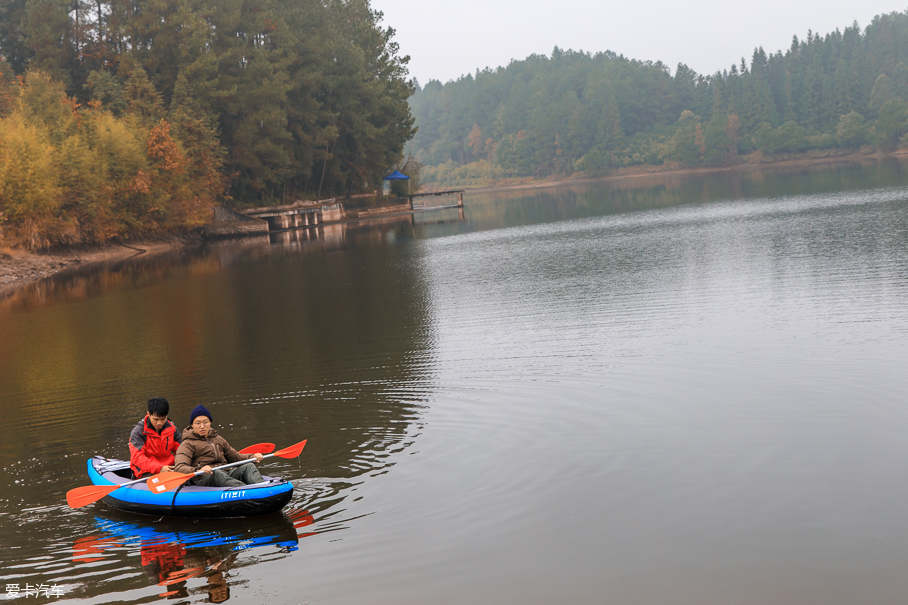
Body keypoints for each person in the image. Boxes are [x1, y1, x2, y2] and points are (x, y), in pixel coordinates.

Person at [173, 405, 264, 487]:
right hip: (203, 478)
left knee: (249, 466)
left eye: (205, 422)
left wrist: (253, 457)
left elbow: (236, 457)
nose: (202, 426)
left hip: (226, 473)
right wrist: (198, 470)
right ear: (192, 425)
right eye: (198, 423)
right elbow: (180, 467)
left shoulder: (218, 439)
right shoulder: (187, 444)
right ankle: (245, 489)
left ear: (210, 423)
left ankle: (263, 487)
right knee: (217, 473)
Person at [130, 397, 183, 479]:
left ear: (167, 416)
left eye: (163, 419)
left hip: (168, 467)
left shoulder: (173, 429)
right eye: (156, 419)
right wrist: (159, 469)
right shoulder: (138, 432)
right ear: (148, 414)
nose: (159, 423)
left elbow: (182, 451)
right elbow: (138, 458)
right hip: (146, 471)